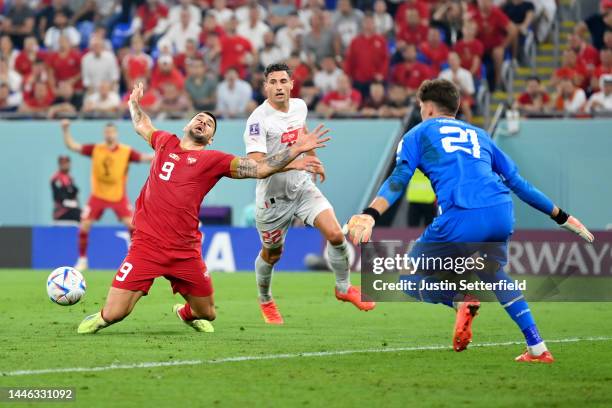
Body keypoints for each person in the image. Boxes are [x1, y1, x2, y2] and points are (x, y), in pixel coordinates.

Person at [346, 79, 594, 363]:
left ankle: (459, 300)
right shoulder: (480, 135)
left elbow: (399, 177)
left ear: (426, 108)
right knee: (494, 274)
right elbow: (518, 182)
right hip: (501, 211)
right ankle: (537, 347)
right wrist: (562, 216)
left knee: (409, 277)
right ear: (456, 107)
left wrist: (371, 213)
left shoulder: (419, 132)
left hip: (462, 214)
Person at [77, 82, 330, 334]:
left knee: (207, 313)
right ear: (187, 125)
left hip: (185, 251)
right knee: (114, 314)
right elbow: (142, 124)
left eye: (209, 124)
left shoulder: (214, 160)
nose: (203, 123)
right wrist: (133, 104)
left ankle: (184, 313)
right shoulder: (165, 141)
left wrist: (295, 151)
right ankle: (100, 316)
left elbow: (259, 168)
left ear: (211, 138)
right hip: (147, 245)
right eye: (199, 119)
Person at [244, 63, 375, 325]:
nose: (279, 86)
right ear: (265, 87)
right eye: (273, 82)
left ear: (292, 84)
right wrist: (296, 161)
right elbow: (257, 165)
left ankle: (343, 287)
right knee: (272, 254)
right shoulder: (258, 121)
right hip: (273, 199)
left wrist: (314, 159)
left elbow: (302, 136)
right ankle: (266, 299)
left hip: (302, 187)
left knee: (336, 234)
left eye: (283, 81)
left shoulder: (299, 106)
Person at [60, 120, 154, 271]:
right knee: (84, 225)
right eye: (107, 132)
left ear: (116, 134)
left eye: (111, 131)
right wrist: (65, 130)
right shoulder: (96, 149)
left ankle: (135, 259)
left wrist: (160, 155)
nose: (109, 134)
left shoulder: (126, 151)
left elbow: (145, 158)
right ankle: (83, 260)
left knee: (132, 225)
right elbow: (72, 146)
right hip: (98, 195)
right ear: (104, 134)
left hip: (118, 195)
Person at [51, 155, 81, 222]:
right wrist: (73, 204)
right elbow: (59, 197)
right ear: (59, 165)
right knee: (80, 215)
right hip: (62, 212)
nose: (65, 165)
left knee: (85, 215)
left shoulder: (69, 178)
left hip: (72, 210)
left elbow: (74, 192)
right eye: (63, 163)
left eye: (67, 163)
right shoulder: (56, 179)